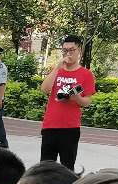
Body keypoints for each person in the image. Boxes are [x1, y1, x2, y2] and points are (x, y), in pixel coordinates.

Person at [39, 35, 95, 171]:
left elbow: (87, 102)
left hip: (70, 128)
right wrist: (57, 68)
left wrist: (76, 98)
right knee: (45, 169)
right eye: (64, 50)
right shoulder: (56, 70)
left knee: (67, 169)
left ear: (79, 51)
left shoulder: (86, 74)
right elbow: (44, 90)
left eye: (71, 50)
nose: (67, 54)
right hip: (50, 125)